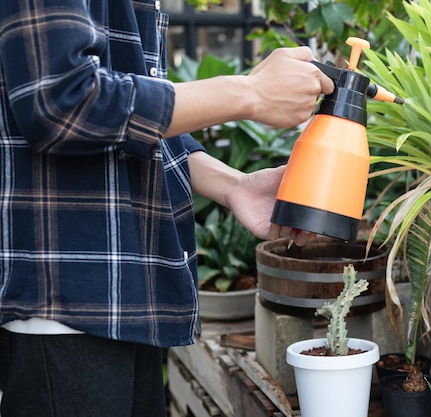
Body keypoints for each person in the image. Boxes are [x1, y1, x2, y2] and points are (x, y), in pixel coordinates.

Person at [0, 1, 334, 416]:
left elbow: (132, 111)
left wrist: (236, 185)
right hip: (68, 294)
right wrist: (249, 93)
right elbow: (61, 100)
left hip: (125, 289)